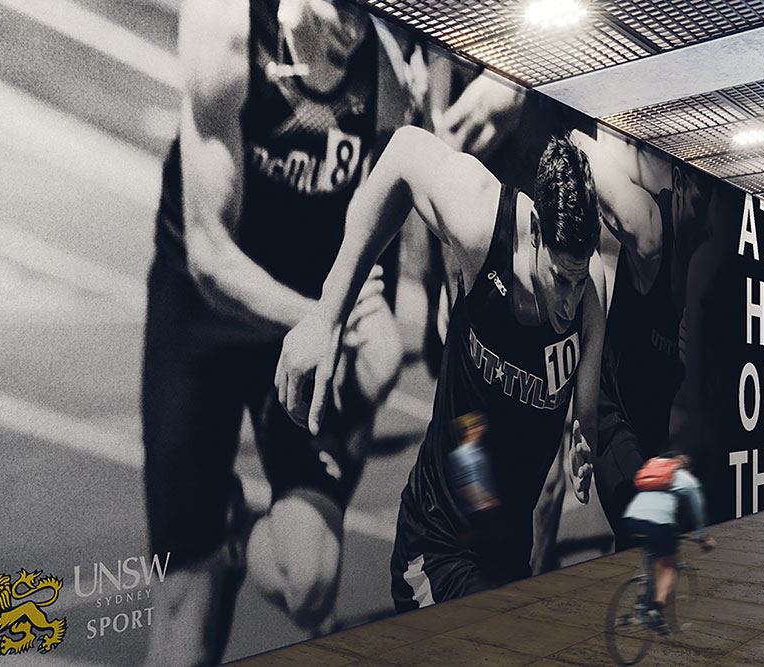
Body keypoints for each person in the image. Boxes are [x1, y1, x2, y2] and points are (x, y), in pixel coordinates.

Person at [141, 1, 403, 664]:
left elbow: (378, 234)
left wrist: (376, 324)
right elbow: (210, 259)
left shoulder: (389, 69)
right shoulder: (225, 32)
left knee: (309, 580)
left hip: (311, 311)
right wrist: (325, 325)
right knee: (181, 616)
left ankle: (235, 540)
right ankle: (208, 549)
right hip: (205, 315)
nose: (353, 26)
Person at [275, 124, 606, 609]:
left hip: (506, 552)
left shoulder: (589, 289)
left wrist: (585, 439)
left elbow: (586, 415)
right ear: (535, 231)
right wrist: (328, 314)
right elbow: (405, 151)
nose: (569, 300)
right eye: (561, 279)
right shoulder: (480, 224)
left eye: (579, 283)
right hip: (438, 544)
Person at [573, 131, 714, 549]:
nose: (706, 224)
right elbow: (580, 142)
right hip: (618, 424)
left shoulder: (716, 261)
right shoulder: (651, 231)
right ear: (681, 181)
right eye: (699, 205)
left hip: (665, 439)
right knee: (650, 531)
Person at [621, 453, 716, 634]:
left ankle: (640, 606)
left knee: (648, 560)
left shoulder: (653, 471)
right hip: (659, 524)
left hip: (631, 519)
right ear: (688, 468)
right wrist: (703, 538)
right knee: (669, 566)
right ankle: (656, 609)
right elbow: (698, 511)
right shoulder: (687, 479)